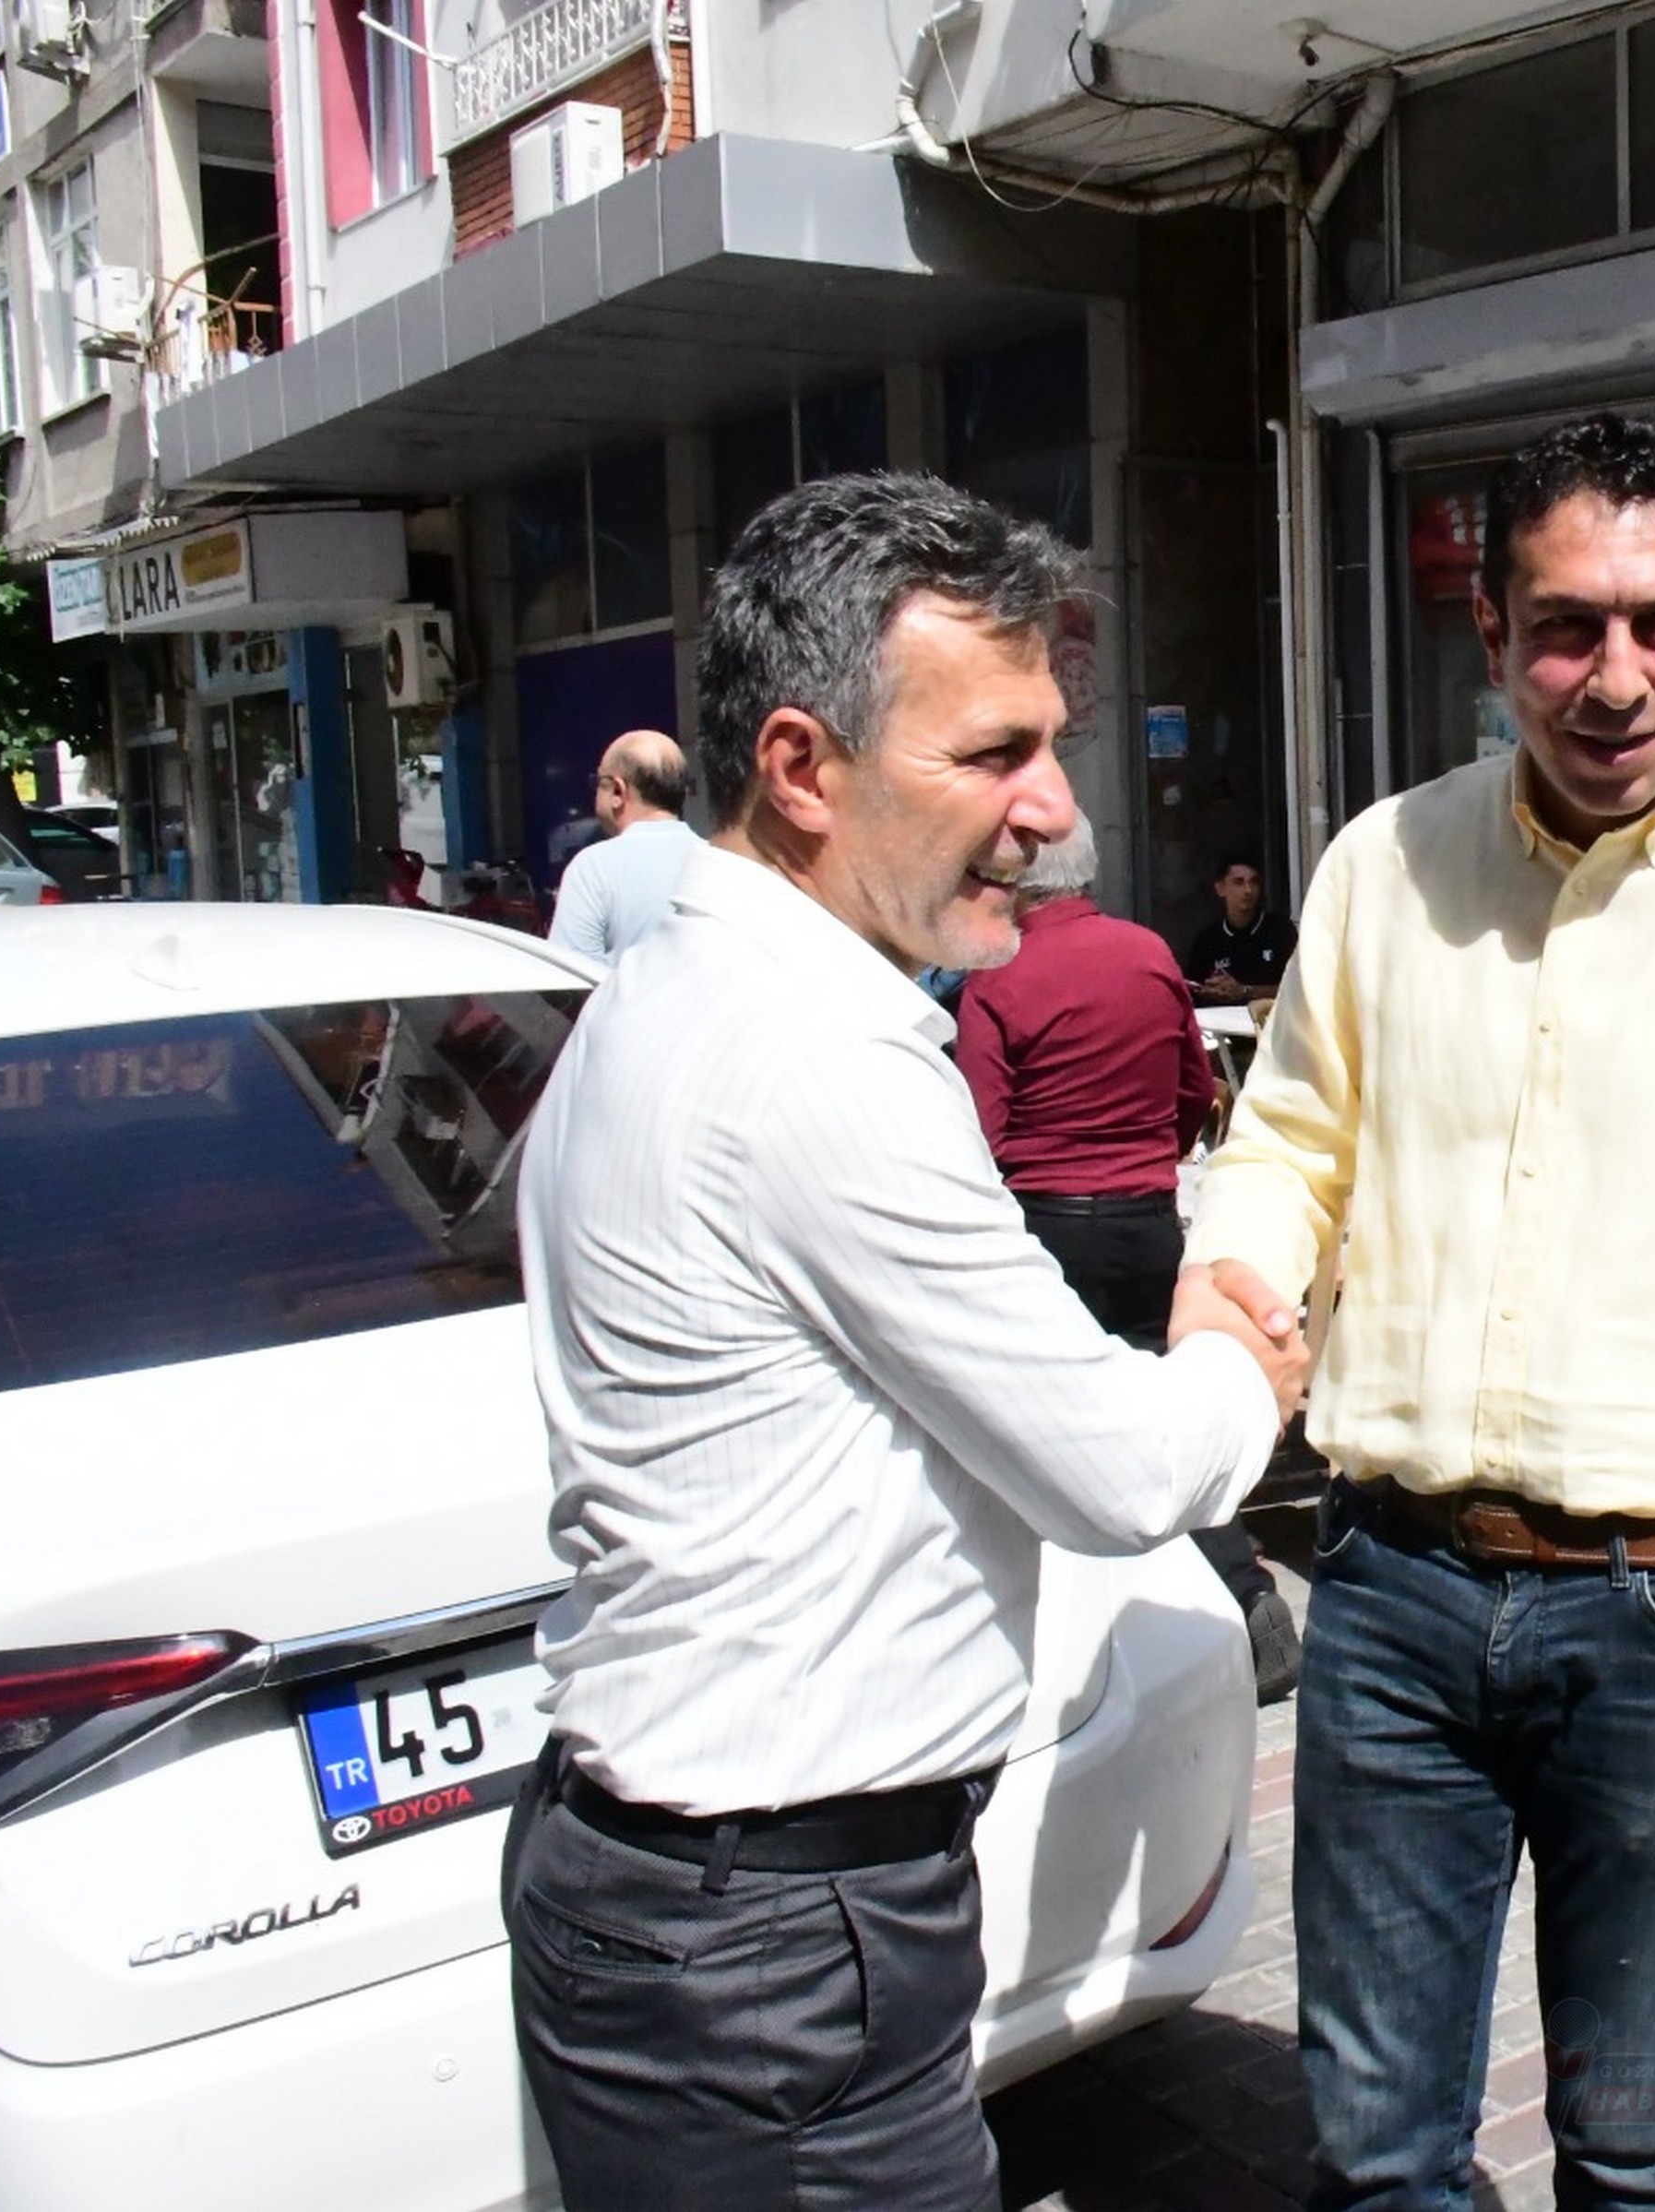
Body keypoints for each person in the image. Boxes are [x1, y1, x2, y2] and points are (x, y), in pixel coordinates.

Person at [1177, 412, 1655, 2211]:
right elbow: (1290, 1142)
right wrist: (1232, 1303)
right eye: (1565, 627)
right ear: (1490, 631)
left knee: (1628, 2138)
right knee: (1377, 2144)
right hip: (1393, 1589)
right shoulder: (1384, 866)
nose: (1617, 679)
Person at [506, 471, 1308, 2212]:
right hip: (773, 1949)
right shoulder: (823, 1057)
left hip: (703, 1919)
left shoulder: (671, 992)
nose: (1053, 810)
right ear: (802, 766)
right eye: (994, 753)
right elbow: (1125, 1472)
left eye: (1052, 745)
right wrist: (1233, 1351)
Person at [951, 813, 1304, 1699]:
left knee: (1043, 1432)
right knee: (1162, 1412)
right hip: (1145, 1215)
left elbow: (977, 1126)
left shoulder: (997, 977)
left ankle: (1065, 1648)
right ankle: (1244, 1588)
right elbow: (1195, 1088)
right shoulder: (1148, 955)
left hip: (1043, 1222)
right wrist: (1150, 1159)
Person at [548, 729, 701, 962]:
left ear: (618, 791)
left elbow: (569, 976)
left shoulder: (593, 869)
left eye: (598, 782)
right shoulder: (719, 861)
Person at [1183, 850, 1298, 1003]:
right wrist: (1210, 992)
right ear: (1220, 888)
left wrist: (1245, 991)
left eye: (1254, 882)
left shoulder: (1280, 931)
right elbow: (1191, 990)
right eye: (1239, 882)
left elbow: (1298, 988)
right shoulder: (1207, 940)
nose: (1248, 890)